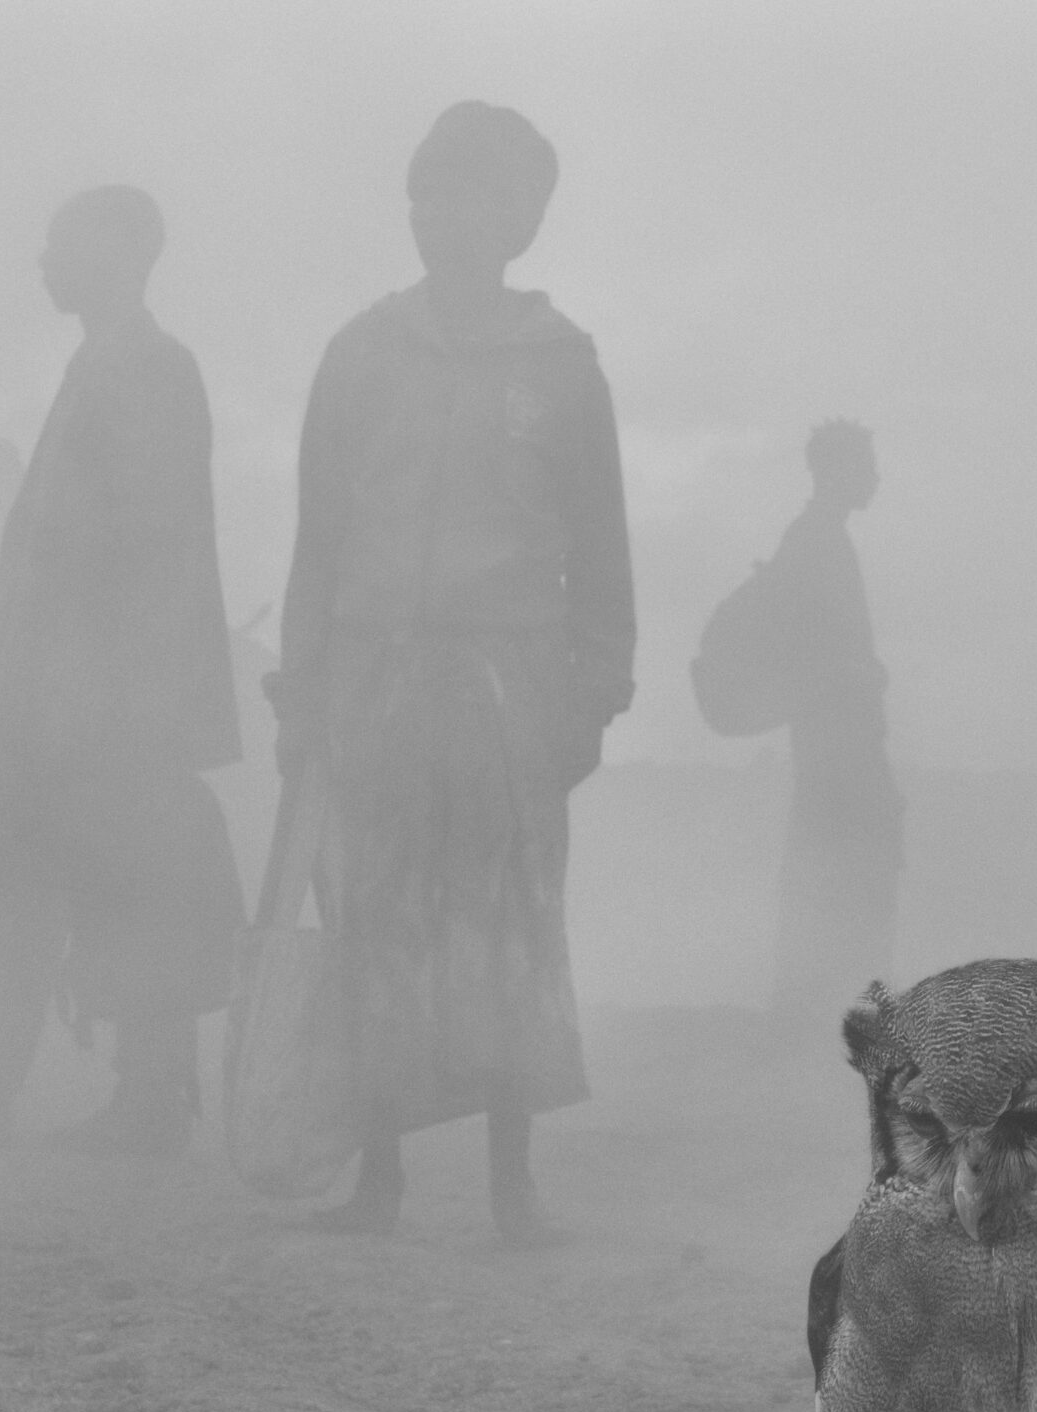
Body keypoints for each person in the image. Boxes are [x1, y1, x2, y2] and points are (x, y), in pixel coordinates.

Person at [273, 100, 635, 1242]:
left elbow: (602, 555)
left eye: (469, 193)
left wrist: (592, 700)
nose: (441, 214)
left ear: (520, 216)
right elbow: (316, 542)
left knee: (505, 924)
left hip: (508, 687)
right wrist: (302, 696)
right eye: (426, 191)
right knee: (375, 915)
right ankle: (374, 1179)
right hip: (373, 676)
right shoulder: (360, 353)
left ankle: (510, 1186)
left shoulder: (563, 365)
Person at [0, 185, 242, 1154]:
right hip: (59, 699)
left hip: (102, 706)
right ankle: (0, 1088)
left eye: (59, 244)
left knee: (112, 884)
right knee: (29, 879)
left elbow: (154, 551)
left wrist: (111, 702)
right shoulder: (105, 364)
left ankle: (132, 1100)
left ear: (117, 251)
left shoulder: (153, 368)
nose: (43, 262)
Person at [763, 420, 904, 1023]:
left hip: (833, 738)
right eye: (864, 463)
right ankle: (831, 1005)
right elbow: (818, 649)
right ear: (834, 470)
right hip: (834, 741)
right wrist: (865, 675)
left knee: (834, 864)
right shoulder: (816, 540)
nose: (874, 476)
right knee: (844, 867)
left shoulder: (818, 537)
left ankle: (824, 1003)